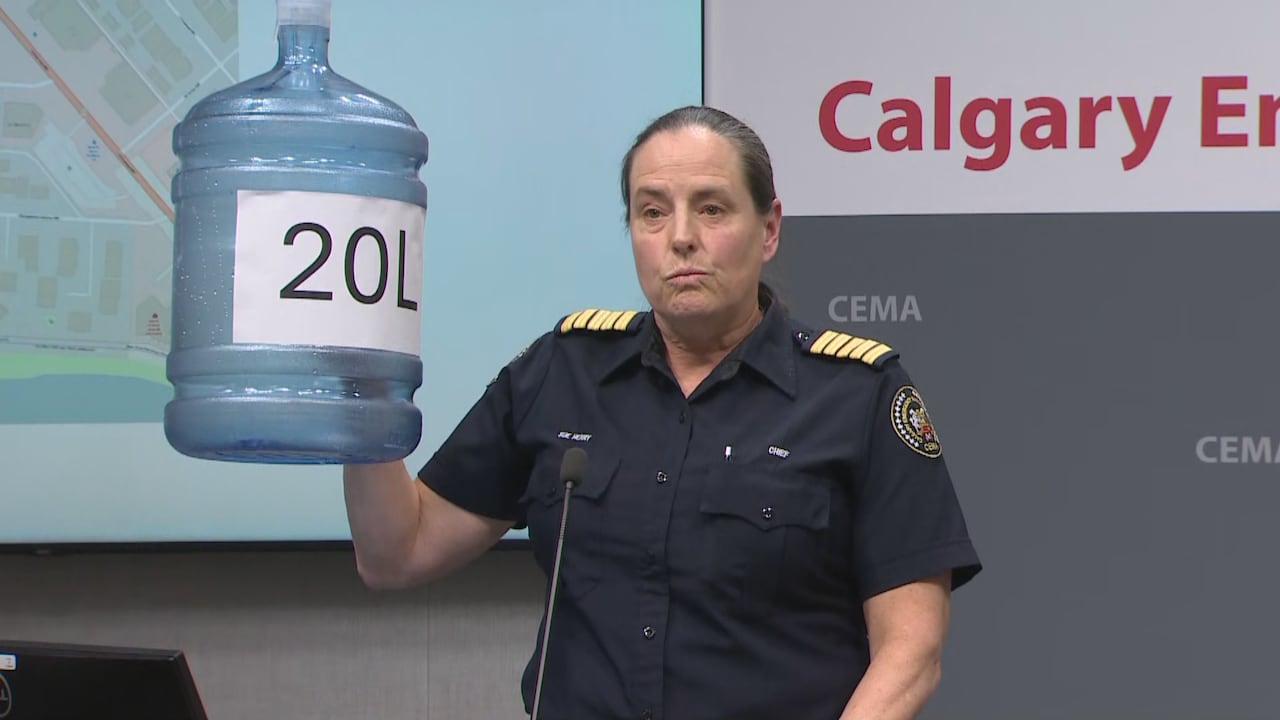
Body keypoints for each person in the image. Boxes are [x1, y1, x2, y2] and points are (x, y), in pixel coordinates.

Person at [342, 105, 982, 720]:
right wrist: (360, 387)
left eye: (711, 209)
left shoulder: (855, 393)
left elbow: (912, 651)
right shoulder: (561, 371)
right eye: (652, 212)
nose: (680, 238)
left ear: (769, 229)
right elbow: (398, 551)